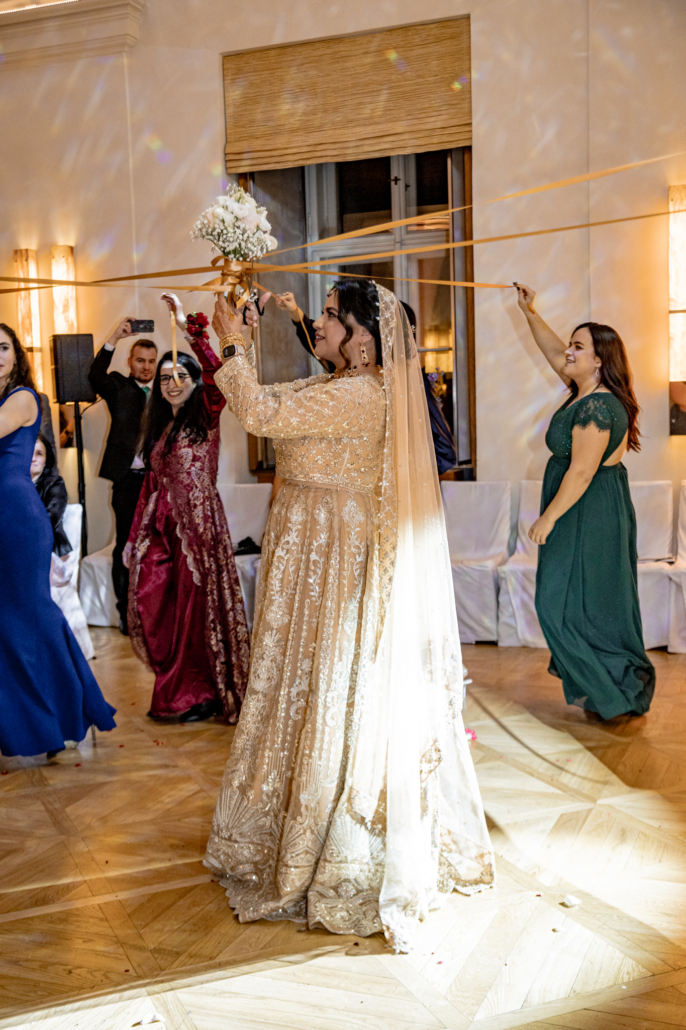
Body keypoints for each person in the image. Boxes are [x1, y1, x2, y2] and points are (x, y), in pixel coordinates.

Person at [204, 279, 494, 952]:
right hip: (315, 559)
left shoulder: (364, 394)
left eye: (332, 317)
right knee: (309, 692)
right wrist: (248, 338)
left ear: (364, 339)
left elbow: (259, 412)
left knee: (333, 692)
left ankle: (338, 851)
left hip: (334, 564)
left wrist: (233, 343)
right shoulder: (340, 385)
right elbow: (279, 402)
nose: (321, 324)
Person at [515, 284, 655, 719]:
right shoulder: (584, 393)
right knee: (581, 602)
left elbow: (581, 472)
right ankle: (606, 691)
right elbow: (553, 352)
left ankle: (614, 690)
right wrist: (530, 312)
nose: (568, 352)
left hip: (587, 510)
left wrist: (547, 518)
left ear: (599, 360)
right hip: (583, 505)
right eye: (571, 345)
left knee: (568, 603)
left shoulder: (598, 407)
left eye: (578, 346)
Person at [124, 295, 250, 724]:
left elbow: (217, 372)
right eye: (165, 378)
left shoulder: (206, 416)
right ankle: (181, 691)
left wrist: (186, 326)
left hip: (198, 531)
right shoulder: (161, 427)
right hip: (164, 529)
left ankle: (201, 692)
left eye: (180, 376)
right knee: (161, 604)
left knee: (196, 613)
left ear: (195, 382)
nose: (172, 384)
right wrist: (134, 540)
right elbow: (151, 485)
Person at [0, 322, 115, 759]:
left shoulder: (23, 397)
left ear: (16, 355)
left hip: (14, 517)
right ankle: (25, 725)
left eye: (3, 348)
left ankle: (69, 711)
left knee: (32, 617)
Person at [272, 291, 457, 473]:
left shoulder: (407, 381)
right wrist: (295, 313)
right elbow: (319, 341)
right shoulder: (352, 372)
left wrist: (394, 475)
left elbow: (444, 452)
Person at [88, 321, 158, 634]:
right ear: (130, 362)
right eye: (140, 360)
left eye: (151, 361)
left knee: (156, 547)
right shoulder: (118, 387)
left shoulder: (166, 392)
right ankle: (126, 613)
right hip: (127, 481)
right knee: (125, 546)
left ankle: (153, 610)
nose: (146, 367)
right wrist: (115, 337)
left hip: (156, 483)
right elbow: (94, 376)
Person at [31, 432, 71, 558]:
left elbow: (49, 519)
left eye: (39, 453)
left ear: (46, 459)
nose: (33, 458)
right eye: (29, 452)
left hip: (51, 550)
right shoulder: (12, 484)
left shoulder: (56, 483)